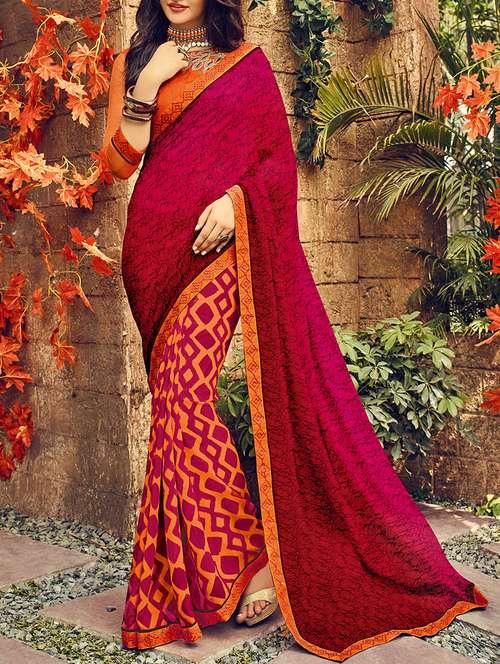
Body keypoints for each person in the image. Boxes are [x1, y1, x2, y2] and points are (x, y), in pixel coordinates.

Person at [101, 0, 489, 659]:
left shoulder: (247, 66)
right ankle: (205, 575)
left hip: (218, 255)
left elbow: (276, 166)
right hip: (151, 254)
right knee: (174, 412)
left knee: (184, 404)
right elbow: (118, 164)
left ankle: (246, 567)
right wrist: (146, 86)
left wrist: (237, 204)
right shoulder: (133, 63)